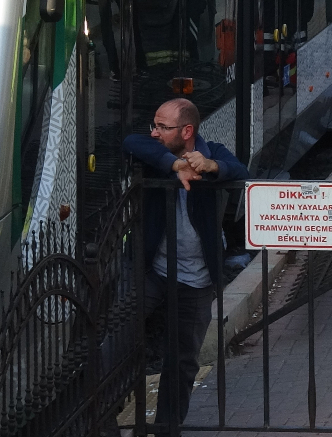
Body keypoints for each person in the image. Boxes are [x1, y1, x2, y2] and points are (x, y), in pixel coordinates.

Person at [123, 99, 250, 426]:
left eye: (162, 127)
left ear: (187, 130)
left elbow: (239, 170)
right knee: (115, 341)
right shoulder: (156, 154)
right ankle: (105, 419)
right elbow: (130, 142)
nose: (154, 132)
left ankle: (167, 428)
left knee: (182, 362)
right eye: (154, 124)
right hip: (154, 271)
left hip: (196, 280)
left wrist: (210, 167)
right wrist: (173, 164)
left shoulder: (213, 152)